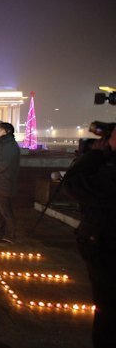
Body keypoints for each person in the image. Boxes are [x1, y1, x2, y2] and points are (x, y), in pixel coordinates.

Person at [64, 127, 116, 348]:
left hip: (108, 247)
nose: (107, 140)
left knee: (107, 314)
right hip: (104, 241)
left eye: (112, 135)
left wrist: (94, 156)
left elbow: (74, 183)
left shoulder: (109, 173)